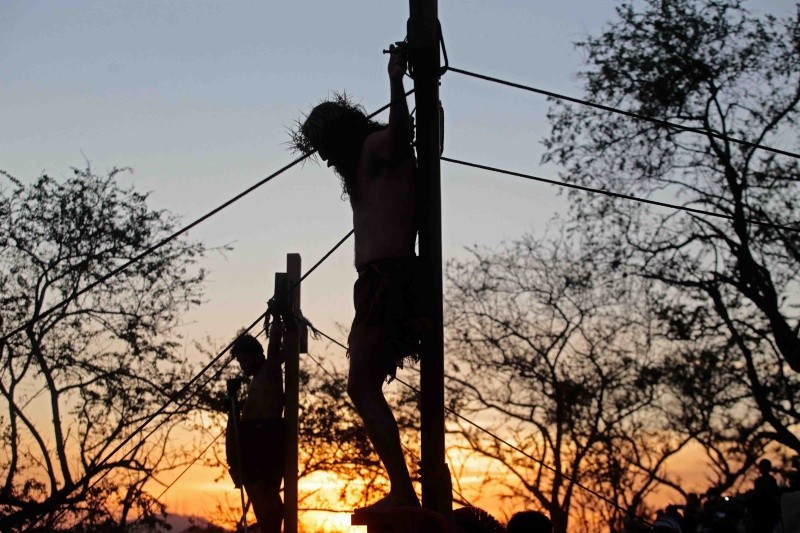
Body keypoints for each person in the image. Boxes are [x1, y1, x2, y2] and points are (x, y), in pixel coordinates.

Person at [291, 42, 422, 511]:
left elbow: (401, 135)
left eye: (325, 148)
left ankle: (403, 492)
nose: (325, 159)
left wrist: (395, 78)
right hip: (375, 283)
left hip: (388, 279)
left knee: (360, 384)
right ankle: (403, 490)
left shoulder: (373, 148)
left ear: (341, 135)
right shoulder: (362, 166)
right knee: (361, 383)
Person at [226, 302, 296, 533]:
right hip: (257, 438)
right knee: (263, 494)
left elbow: (277, 344)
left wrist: (279, 317)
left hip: (262, 437)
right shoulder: (260, 376)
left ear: (257, 356)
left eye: (245, 361)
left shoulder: (269, 369)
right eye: (240, 362)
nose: (243, 366)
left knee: (261, 492)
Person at [748, 459, 781, 533]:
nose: (763, 469)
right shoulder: (758, 481)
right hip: (759, 507)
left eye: (765, 467)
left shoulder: (771, 480)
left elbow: (774, 493)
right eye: (762, 467)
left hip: (768, 507)